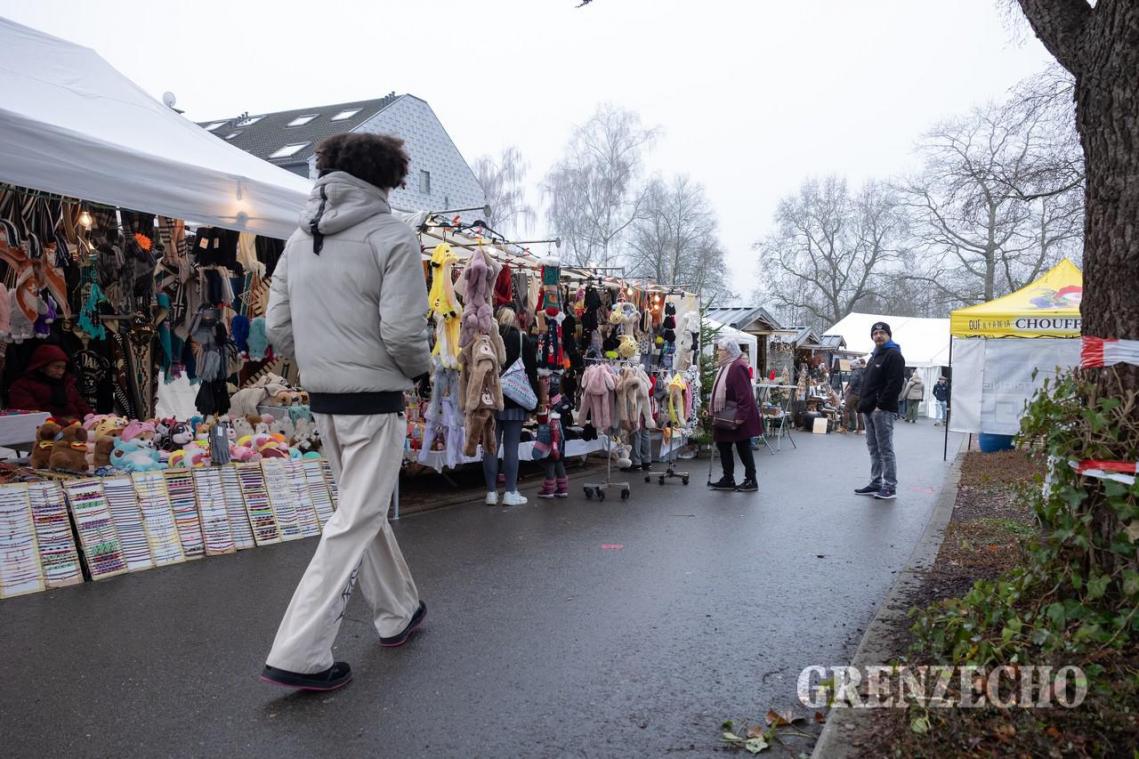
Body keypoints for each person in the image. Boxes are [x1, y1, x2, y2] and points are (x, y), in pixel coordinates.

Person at [261, 132, 431, 692]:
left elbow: (277, 329)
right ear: (389, 177)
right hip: (374, 400)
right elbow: (404, 333)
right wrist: (418, 370)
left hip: (324, 399)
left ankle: (398, 609)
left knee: (360, 510)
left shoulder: (297, 240)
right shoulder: (393, 237)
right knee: (354, 516)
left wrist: (318, 363)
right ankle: (300, 650)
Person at [484, 307, 537, 507]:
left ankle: (490, 492)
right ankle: (510, 492)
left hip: (491, 399)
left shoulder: (488, 340)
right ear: (514, 319)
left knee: (491, 445)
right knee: (511, 447)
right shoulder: (523, 340)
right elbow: (532, 372)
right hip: (515, 400)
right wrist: (535, 403)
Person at [855, 322, 905, 500]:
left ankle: (890, 486)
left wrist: (880, 406)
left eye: (882, 332)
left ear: (889, 335)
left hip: (882, 410)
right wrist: (862, 406)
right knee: (873, 448)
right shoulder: (874, 356)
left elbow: (895, 384)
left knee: (885, 449)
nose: (878, 335)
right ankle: (876, 482)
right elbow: (868, 383)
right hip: (869, 409)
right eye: (875, 333)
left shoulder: (894, 355)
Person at [709, 337, 762, 492]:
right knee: (723, 444)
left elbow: (745, 394)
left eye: (720, 350)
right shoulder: (726, 366)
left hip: (737, 414)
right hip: (725, 413)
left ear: (729, 351)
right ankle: (728, 478)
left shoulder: (737, 366)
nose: (718, 353)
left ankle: (751, 480)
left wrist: (740, 416)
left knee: (743, 447)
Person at [6, 344, 92, 421]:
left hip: (76, 428)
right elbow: (32, 415)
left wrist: (96, 419)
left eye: (63, 368)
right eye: (57, 367)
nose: (61, 372)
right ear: (42, 367)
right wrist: (63, 421)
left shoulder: (67, 384)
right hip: (43, 432)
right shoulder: (22, 386)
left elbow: (82, 406)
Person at [844, 359, 865, 433]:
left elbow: (851, 384)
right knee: (859, 411)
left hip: (854, 394)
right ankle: (860, 428)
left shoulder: (855, 373)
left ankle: (845, 427)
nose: (850, 367)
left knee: (846, 409)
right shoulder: (863, 372)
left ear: (854, 366)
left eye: (851, 365)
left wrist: (845, 391)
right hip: (861, 394)